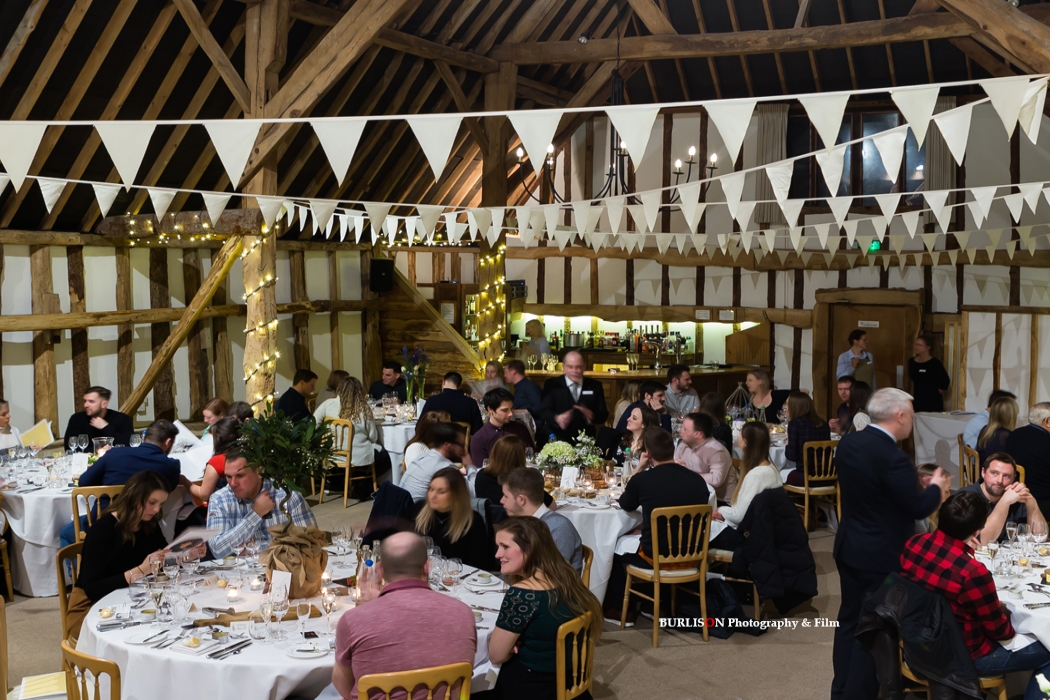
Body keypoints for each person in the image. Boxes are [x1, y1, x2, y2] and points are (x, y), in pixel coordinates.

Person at [830, 388, 952, 700]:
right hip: (879, 556)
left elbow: (873, 491)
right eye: (910, 414)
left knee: (848, 621)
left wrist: (910, 487)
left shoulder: (849, 443)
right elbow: (918, 508)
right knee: (873, 630)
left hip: (849, 545)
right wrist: (937, 489)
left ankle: (840, 689)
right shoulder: (893, 457)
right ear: (899, 416)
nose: (912, 420)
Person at [900, 490, 1050, 700]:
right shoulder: (972, 572)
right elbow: (1000, 632)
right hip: (963, 657)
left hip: (915, 643)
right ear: (977, 531)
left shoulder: (914, 543)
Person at [331, 532, 476, 700]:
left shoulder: (353, 620)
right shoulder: (463, 614)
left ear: (379, 570)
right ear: (427, 567)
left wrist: (368, 611)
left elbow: (344, 688)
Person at [604, 427, 710, 623]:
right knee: (655, 538)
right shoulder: (697, 480)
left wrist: (640, 468)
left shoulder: (643, 480)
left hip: (656, 557)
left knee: (614, 548)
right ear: (673, 450)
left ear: (648, 453)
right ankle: (656, 605)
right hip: (693, 554)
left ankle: (622, 610)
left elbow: (626, 504)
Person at [489, 517, 602, 700]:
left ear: (530, 548)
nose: (497, 554)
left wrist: (509, 646)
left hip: (536, 687)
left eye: (505, 546)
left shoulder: (523, 595)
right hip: (570, 678)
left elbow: (496, 655)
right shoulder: (566, 576)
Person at [64, 470, 173, 640]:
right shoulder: (103, 530)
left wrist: (185, 554)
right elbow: (93, 589)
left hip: (130, 598)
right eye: (152, 502)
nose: (156, 509)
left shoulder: (148, 522)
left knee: (167, 624)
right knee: (145, 635)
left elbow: (163, 553)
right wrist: (141, 571)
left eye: (161, 503)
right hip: (90, 607)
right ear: (134, 498)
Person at [206, 445, 318, 558]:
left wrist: (255, 548)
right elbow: (217, 550)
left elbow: (312, 542)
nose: (233, 483)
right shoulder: (219, 499)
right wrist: (255, 514)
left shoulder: (287, 496)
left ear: (260, 472)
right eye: (228, 477)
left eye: (240, 475)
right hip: (239, 569)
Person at [710, 422, 783, 550]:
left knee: (703, 529)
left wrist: (720, 510)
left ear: (745, 442)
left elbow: (739, 516)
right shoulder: (772, 468)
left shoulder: (756, 475)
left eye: (740, 436)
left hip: (752, 538)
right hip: (767, 532)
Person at [499, 468, 580, 572]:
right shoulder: (520, 524)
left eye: (506, 496)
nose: (501, 500)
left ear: (521, 499)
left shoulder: (559, 528)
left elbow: (552, 575)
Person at [414, 467, 494, 570]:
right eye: (431, 489)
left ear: (456, 494)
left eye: (441, 492)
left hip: (459, 577)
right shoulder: (419, 510)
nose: (432, 495)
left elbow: (477, 563)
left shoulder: (472, 521)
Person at [960, 453, 1046, 545]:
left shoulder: (1016, 495)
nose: (1000, 480)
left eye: (1006, 476)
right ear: (983, 472)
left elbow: (1038, 539)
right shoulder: (965, 497)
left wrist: (1031, 502)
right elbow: (983, 543)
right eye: (994, 473)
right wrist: (1005, 501)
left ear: (1014, 478)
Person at [78, 419, 182, 489]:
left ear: (145, 437)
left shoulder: (113, 454)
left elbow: (83, 482)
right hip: (143, 516)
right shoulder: (171, 465)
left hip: (105, 514)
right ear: (168, 442)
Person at [314, 375, 383, 472]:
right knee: (385, 456)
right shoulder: (364, 408)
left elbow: (314, 424)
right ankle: (365, 479)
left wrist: (323, 438)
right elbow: (373, 437)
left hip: (332, 454)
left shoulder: (328, 404)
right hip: (359, 456)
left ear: (340, 389)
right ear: (360, 391)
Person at [539, 351, 608, 443]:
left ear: (584, 366)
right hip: (557, 438)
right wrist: (557, 418)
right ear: (563, 367)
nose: (575, 371)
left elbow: (603, 415)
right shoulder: (552, 384)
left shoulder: (595, 386)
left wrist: (592, 415)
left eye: (578, 367)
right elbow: (543, 411)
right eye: (570, 367)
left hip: (585, 440)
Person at [476, 435, 554, 509]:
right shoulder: (521, 482)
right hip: (516, 519)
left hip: (486, 518)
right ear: (519, 459)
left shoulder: (481, 475)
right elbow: (552, 506)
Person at [673, 412, 737, 502]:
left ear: (698, 434)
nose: (680, 431)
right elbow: (675, 468)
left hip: (719, 501)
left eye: (685, 429)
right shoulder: (683, 444)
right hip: (694, 495)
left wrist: (688, 474)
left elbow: (716, 480)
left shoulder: (717, 451)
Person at [400, 422, 468, 502]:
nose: (463, 449)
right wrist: (470, 466)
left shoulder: (423, 456)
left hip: (401, 505)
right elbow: (471, 493)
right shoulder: (446, 467)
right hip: (416, 509)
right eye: (461, 444)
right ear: (448, 446)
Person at [1005, 402, 1050, 517]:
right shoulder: (1047, 442)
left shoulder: (1014, 434)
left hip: (1013, 495)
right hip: (1040, 502)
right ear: (1047, 421)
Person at [471, 388, 534, 466]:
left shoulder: (520, 429)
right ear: (490, 409)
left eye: (511, 409)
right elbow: (482, 469)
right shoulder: (479, 438)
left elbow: (531, 457)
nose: (511, 414)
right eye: (505, 410)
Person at [187, 416, 241, 504]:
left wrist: (185, 482)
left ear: (219, 439)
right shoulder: (247, 455)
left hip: (221, 506)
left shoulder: (218, 461)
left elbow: (204, 495)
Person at [63, 386, 134, 451]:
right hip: (85, 460)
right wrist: (99, 450)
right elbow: (69, 448)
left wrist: (106, 427)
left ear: (104, 404)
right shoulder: (77, 419)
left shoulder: (122, 419)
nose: (85, 405)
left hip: (114, 459)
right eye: (85, 401)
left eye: (91, 401)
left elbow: (129, 444)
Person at [783, 392, 831, 486]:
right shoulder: (823, 423)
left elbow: (791, 456)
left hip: (805, 477)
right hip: (828, 476)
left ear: (795, 406)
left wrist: (788, 445)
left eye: (787, 404)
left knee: (778, 474)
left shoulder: (795, 424)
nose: (785, 407)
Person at [908, 334, 950, 413]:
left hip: (933, 402)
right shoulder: (912, 362)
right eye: (916, 344)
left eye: (919, 345)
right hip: (918, 399)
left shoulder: (935, 363)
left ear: (928, 347)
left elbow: (945, 381)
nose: (916, 347)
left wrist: (934, 392)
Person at [976, 395, 1018, 468]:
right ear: (1011, 416)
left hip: (984, 470)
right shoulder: (1006, 435)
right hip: (996, 472)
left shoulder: (985, 430)